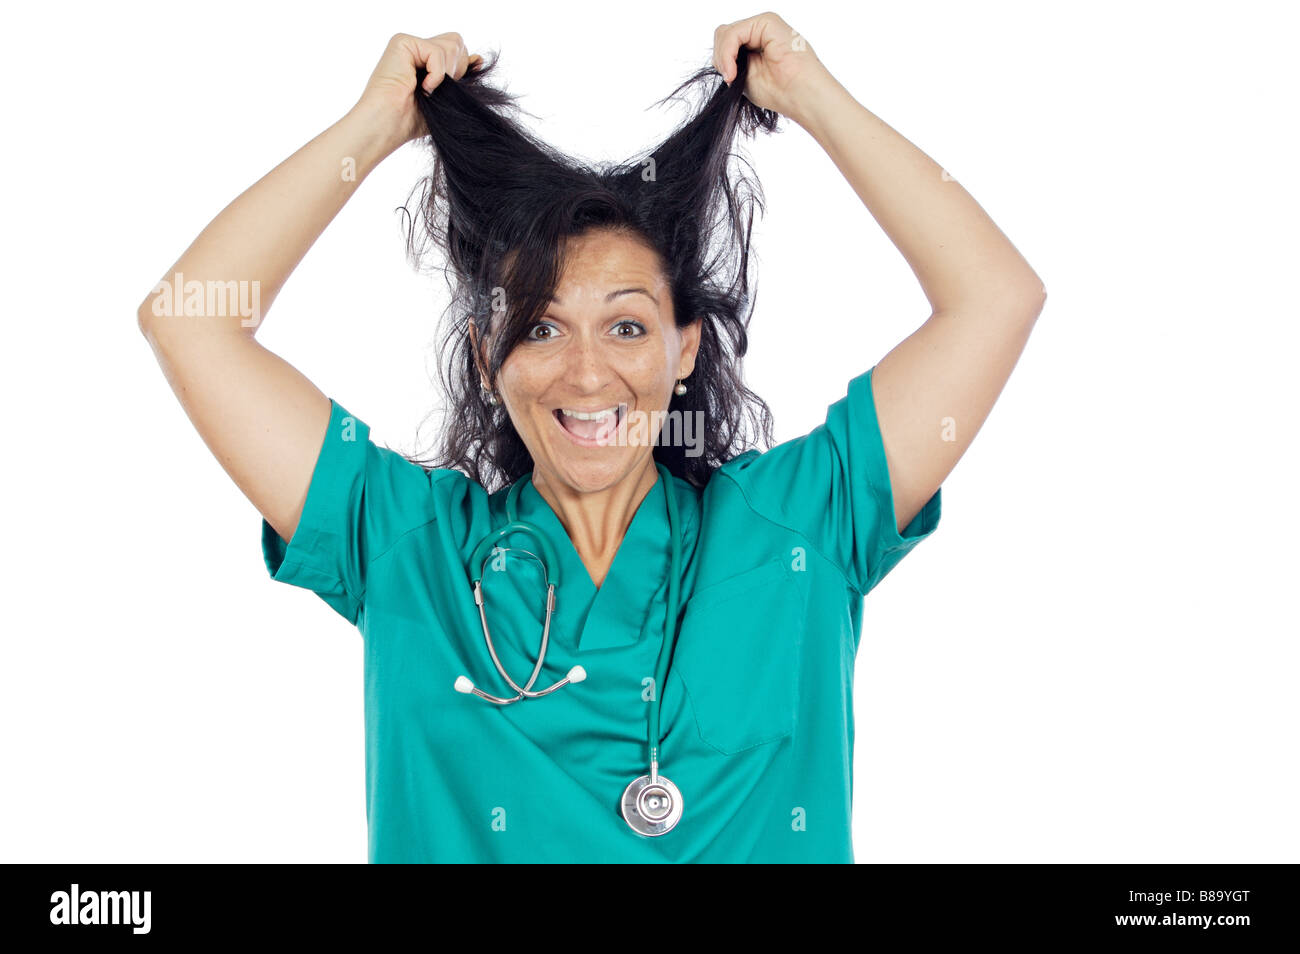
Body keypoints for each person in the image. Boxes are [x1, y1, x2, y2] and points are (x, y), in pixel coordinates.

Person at [137, 14, 1046, 863]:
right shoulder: (408, 548)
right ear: (486, 355)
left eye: (626, 327)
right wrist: (377, 125)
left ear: (684, 348)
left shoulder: (798, 526)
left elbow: (995, 299)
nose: (585, 374)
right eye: (537, 327)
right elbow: (190, 323)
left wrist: (814, 96)